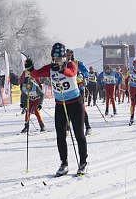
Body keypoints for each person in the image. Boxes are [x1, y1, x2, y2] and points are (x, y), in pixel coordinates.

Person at [28, 43, 88, 177]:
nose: (57, 61)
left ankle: (83, 162)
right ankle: (64, 163)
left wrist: (61, 69)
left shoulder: (71, 65)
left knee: (79, 134)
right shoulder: (50, 68)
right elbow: (36, 73)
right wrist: (30, 68)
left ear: (64, 57)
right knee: (60, 135)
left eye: (59, 58)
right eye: (54, 58)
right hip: (60, 104)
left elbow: (71, 73)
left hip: (75, 104)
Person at [19, 58, 45, 133]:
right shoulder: (24, 72)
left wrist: (38, 85)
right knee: (28, 112)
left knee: (36, 111)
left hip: (35, 93)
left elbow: (37, 78)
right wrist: (22, 103)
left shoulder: (33, 71)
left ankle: (42, 125)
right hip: (29, 96)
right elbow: (23, 93)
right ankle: (26, 126)